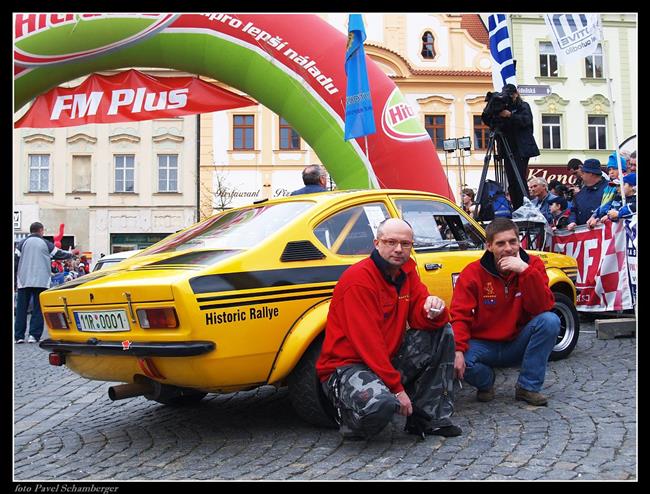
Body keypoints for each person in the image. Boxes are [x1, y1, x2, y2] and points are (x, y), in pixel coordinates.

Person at [316, 218, 461, 440]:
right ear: (377, 243)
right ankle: (349, 419)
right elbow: (368, 344)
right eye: (391, 242)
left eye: (405, 244)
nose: (398, 249)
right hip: (347, 367)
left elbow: (423, 320)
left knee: (443, 331)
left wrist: (435, 310)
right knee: (381, 406)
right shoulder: (359, 280)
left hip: (385, 359)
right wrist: (397, 390)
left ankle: (431, 418)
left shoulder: (407, 272)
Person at [450, 218, 560, 406]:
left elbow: (542, 307)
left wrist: (525, 271)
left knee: (550, 321)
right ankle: (486, 382)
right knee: (456, 359)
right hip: (484, 345)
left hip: (518, 341)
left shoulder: (533, 265)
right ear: (489, 246)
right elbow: (460, 315)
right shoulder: (472, 272)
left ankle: (528, 387)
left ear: (519, 242)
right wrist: (458, 350)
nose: (508, 248)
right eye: (500, 243)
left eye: (513, 242)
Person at [14, 222, 78, 344]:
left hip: (23, 280)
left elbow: (15, 261)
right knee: (38, 309)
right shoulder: (45, 243)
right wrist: (71, 254)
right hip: (41, 280)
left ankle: (19, 336)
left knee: (21, 309)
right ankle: (34, 335)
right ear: (41, 230)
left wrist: (15, 279)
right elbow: (58, 254)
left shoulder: (21, 244)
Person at [483, 84, 540, 210]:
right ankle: (516, 207)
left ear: (515, 94)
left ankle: (525, 207)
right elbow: (487, 119)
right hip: (507, 147)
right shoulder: (503, 106)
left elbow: (526, 121)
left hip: (521, 148)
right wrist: (492, 107)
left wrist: (509, 115)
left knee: (519, 179)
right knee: (512, 182)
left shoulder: (523, 106)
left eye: (510, 95)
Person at [567, 159, 608, 230]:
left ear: (591, 174)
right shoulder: (581, 193)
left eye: (583, 173)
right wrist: (572, 221)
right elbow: (573, 210)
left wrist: (598, 218)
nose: (581, 176)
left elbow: (612, 208)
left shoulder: (609, 189)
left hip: (603, 235)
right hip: (584, 236)